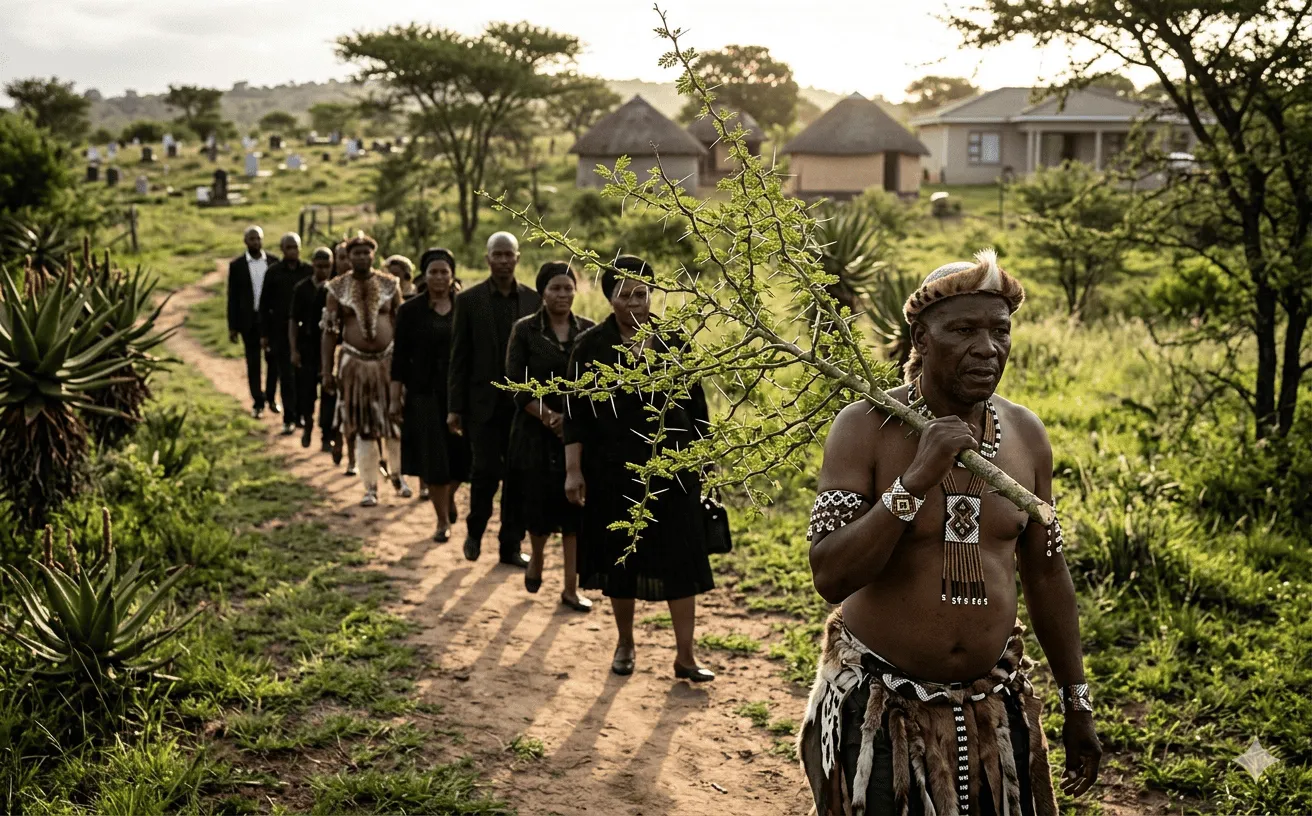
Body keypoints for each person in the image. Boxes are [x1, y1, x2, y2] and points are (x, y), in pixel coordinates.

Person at [800, 250, 1101, 816]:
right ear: (921, 336)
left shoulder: (1027, 436)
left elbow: (1046, 571)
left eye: (999, 331)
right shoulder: (865, 426)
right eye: (963, 330)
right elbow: (830, 573)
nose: (986, 348)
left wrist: (1077, 700)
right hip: (882, 712)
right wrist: (915, 480)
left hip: (994, 707)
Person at [563, 255, 715, 681]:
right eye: (625, 294)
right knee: (621, 561)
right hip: (615, 473)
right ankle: (625, 643)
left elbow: (697, 406)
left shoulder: (673, 341)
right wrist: (574, 471)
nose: (636, 302)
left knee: (683, 558)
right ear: (610, 299)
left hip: (674, 469)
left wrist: (704, 458)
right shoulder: (590, 347)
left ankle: (685, 656)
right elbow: (574, 416)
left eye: (642, 294)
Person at [448, 231, 541, 566]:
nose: (503, 261)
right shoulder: (469, 301)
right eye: (497, 255)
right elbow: (459, 356)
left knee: (517, 478)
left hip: (523, 408)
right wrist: (455, 407)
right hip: (482, 407)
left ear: (518, 258)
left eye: (508, 254)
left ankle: (510, 546)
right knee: (485, 473)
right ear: (487, 259)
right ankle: (475, 531)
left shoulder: (534, 301)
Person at [507, 262, 595, 612]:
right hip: (533, 433)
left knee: (575, 511)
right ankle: (538, 558)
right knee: (539, 505)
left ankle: (570, 588)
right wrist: (550, 416)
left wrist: (572, 422)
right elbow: (516, 383)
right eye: (555, 288)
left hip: (576, 438)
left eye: (567, 288)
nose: (562, 294)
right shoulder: (525, 331)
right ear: (542, 291)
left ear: (576, 291)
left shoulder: (588, 332)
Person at [390, 248, 469, 540]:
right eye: (433, 272)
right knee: (435, 460)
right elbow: (399, 359)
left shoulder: (466, 307)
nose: (439, 277)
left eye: (444, 272)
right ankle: (441, 522)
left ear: (452, 275)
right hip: (424, 395)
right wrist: (394, 397)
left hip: (460, 394)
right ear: (424, 276)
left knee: (463, 458)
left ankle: (448, 498)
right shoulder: (409, 311)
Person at [320, 233, 404, 507]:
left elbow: (401, 326)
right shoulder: (336, 288)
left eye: (366, 252)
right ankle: (370, 486)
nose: (361, 257)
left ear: (373, 255)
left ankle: (398, 474)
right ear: (348, 256)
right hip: (354, 365)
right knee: (364, 425)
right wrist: (327, 371)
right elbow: (330, 332)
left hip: (388, 363)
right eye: (355, 253)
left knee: (393, 421)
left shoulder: (390, 285)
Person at [261, 232, 313, 435]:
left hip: (305, 333)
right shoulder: (273, 272)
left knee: (303, 377)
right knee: (286, 376)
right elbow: (264, 305)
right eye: (289, 247)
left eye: (296, 247)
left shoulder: (308, 271)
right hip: (280, 332)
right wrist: (264, 334)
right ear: (282, 249)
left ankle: (301, 414)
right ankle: (288, 417)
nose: (293, 251)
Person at [226, 226, 280, 418]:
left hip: (271, 320)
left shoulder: (274, 262)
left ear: (262, 240)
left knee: (273, 360)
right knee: (253, 362)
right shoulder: (237, 266)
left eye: (258, 239)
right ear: (245, 241)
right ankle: (258, 401)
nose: (255, 242)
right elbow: (232, 298)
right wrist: (232, 327)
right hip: (248, 321)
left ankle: (272, 397)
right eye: (251, 239)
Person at [289, 247, 336, 450]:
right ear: (313, 265)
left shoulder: (335, 290)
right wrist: (293, 349)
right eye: (319, 266)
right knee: (306, 392)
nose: (323, 270)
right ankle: (308, 425)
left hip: (328, 348)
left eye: (327, 266)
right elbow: (293, 320)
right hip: (307, 346)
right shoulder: (302, 288)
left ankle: (326, 435)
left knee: (329, 391)